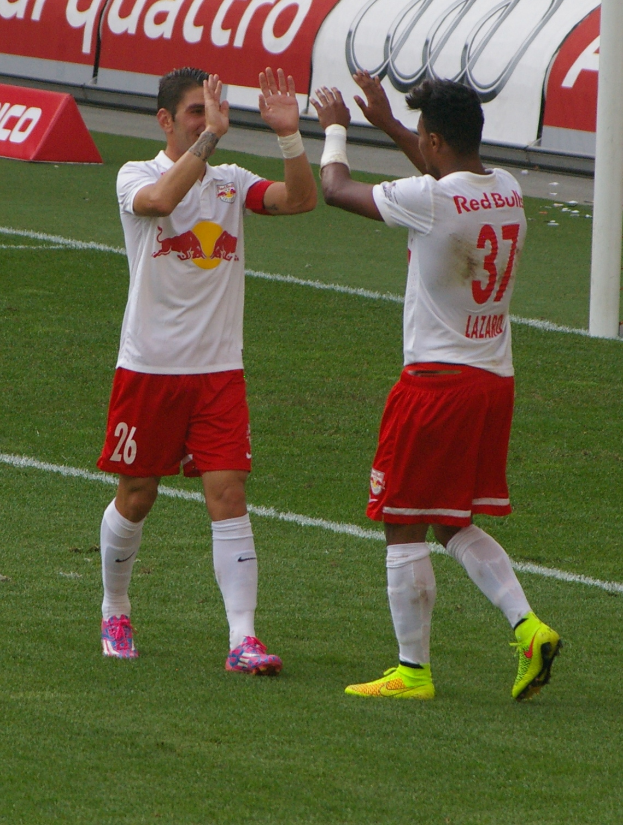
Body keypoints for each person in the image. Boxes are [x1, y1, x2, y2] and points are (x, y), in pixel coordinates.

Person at [311, 77, 561, 701]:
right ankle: (529, 629)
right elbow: (439, 173)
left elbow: (335, 189)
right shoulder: (506, 188)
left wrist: (338, 127)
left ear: (436, 139)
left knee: (402, 521)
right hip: (491, 378)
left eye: (422, 136)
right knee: (451, 521)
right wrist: (391, 122)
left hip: (435, 384)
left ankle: (412, 672)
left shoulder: (431, 199)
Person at [97, 66, 316, 673]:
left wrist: (290, 138)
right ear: (166, 120)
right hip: (150, 368)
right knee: (137, 497)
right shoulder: (135, 176)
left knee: (229, 496)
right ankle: (115, 608)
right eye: (196, 111)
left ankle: (243, 638)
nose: (208, 118)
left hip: (219, 371)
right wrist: (210, 140)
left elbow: (299, 199)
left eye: (213, 109)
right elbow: (163, 201)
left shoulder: (229, 183)